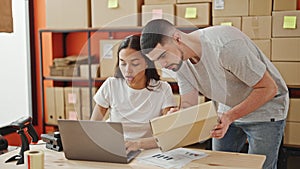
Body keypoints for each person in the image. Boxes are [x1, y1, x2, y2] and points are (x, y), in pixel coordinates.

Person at [140, 19, 289, 169]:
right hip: (227, 107)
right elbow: (189, 105)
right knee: (217, 165)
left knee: (260, 166)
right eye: (157, 61)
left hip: (265, 107)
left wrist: (230, 116)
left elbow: (269, 88)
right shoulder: (178, 63)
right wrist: (177, 117)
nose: (163, 65)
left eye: (163, 56)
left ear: (177, 38)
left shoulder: (225, 47)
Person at [90, 34, 176, 153]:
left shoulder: (163, 89)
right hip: (116, 149)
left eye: (135, 64)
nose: (127, 70)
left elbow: (168, 135)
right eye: (123, 63)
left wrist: (138, 144)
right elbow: (93, 126)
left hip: (147, 150)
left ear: (147, 63)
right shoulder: (111, 85)